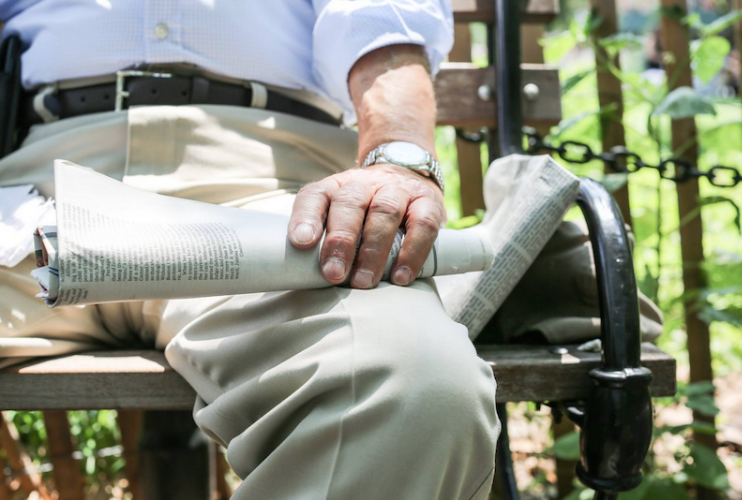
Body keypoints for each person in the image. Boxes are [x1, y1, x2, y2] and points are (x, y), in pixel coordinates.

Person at [0, 2, 501, 499]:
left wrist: (395, 156)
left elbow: (378, 16)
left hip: (274, 196)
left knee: (415, 383)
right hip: (31, 194)